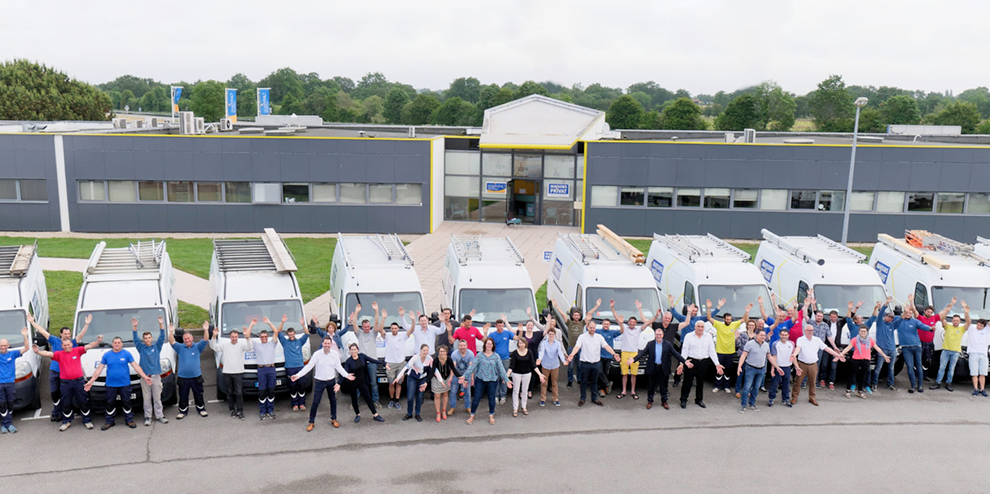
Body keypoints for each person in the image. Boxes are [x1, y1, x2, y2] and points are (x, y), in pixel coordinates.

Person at [27, 313, 90, 422]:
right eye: (65, 334)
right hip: (55, 372)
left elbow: (81, 334)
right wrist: (32, 322)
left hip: (67, 375)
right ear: (61, 334)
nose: (67, 336)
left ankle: (68, 412)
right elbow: (42, 331)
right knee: (55, 393)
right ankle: (56, 412)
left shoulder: (73, 343)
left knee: (67, 394)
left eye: (69, 334)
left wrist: (86, 324)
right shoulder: (54, 340)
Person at [34, 334, 103, 431]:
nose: (67, 346)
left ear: (71, 344)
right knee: (66, 402)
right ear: (62, 346)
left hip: (79, 382)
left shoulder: (77, 350)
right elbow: (48, 354)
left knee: (83, 401)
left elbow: (89, 346)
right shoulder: (59, 354)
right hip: (65, 383)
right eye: (65, 345)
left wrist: (98, 341)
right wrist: (38, 352)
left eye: (68, 344)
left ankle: (87, 420)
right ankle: (67, 421)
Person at [83, 336, 153, 430]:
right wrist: (91, 382)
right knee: (110, 403)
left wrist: (144, 377)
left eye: (119, 342)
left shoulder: (127, 354)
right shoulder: (107, 355)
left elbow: (136, 366)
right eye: (115, 342)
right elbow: (99, 369)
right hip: (110, 385)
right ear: (112, 344)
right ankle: (109, 422)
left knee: (127, 402)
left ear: (121, 344)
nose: (117, 344)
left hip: (124, 384)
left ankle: (129, 420)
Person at [291, 336, 354, 431]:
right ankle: (311, 422)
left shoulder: (334, 354)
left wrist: (346, 375)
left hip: (331, 381)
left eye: (329, 343)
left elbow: (338, 367)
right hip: (319, 382)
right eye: (325, 343)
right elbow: (309, 366)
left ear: (331, 344)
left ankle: (334, 419)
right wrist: (298, 375)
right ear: (322, 343)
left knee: (333, 401)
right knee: (315, 402)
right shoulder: (317, 354)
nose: (327, 345)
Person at [629, 327, 688, 410]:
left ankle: (664, 401)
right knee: (651, 386)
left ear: (663, 335)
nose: (658, 336)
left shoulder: (668, 344)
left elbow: (676, 354)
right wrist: (634, 359)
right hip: (653, 368)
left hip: (663, 368)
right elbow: (642, 352)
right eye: (657, 334)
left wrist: (685, 361)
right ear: (655, 335)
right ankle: (650, 401)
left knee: (664, 387)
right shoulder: (650, 344)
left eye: (660, 334)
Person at [566, 319, 621, 407]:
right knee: (584, 382)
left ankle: (594, 398)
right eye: (590, 327)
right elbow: (577, 346)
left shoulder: (599, 337)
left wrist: (614, 354)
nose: (592, 329)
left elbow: (606, 346)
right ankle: (582, 398)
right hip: (585, 363)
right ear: (587, 327)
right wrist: (572, 354)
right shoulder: (582, 337)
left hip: (596, 363)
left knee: (594, 382)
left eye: (594, 328)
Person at [460, 337, 511, 425]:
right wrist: (464, 376)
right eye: (487, 343)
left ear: (493, 346)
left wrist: (506, 380)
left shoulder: (496, 356)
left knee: (491, 398)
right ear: (485, 345)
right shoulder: (479, 355)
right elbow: (472, 367)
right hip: (480, 379)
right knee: (476, 398)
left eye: (490, 344)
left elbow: (501, 369)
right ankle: (472, 415)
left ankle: (491, 415)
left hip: (492, 380)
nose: (489, 345)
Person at [210, 319, 254, 420]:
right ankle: (232, 410)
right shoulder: (225, 345)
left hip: (238, 372)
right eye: (232, 337)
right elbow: (214, 347)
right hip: (227, 372)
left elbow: (249, 347)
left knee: (239, 393)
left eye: (236, 337)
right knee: (229, 393)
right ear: (230, 337)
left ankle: (240, 411)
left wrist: (247, 337)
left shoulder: (241, 345)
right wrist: (214, 336)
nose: (234, 338)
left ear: (238, 337)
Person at [792, 324, 846, 406]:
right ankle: (794, 397)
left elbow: (826, 348)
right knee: (798, 382)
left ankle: (812, 398)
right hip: (802, 364)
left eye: (812, 330)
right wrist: (794, 354)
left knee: (813, 382)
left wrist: (837, 355)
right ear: (805, 331)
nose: (810, 332)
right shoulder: (800, 339)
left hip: (813, 364)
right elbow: (798, 348)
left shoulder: (817, 340)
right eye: (809, 330)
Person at [707, 299, 751, 394]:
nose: (729, 321)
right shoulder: (719, 325)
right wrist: (709, 308)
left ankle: (726, 386)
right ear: (724, 319)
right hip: (719, 351)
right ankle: (717, 385)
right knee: (718, 369)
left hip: (730, 352)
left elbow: (743, 319)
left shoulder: (734, 324)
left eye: (730, 320)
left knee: (728, 370)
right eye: (727, 320)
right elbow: (709, 318)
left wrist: (746, 312)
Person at [615, 300, 656, 400]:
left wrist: (655, 316)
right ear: (628, 322)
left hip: (634, 354)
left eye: (634, 322)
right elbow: (617, 319)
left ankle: (633, 391)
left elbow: (648, 323)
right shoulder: (624, 328)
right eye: (630, 322)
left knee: (634, 374)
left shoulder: (638, 329)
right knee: (624, 373)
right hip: (624, 352)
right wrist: (612, 308)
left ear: (636, 323)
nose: (632, 323)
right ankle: (624, 390)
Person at [677, 321, 724, 408]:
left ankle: (699, 400)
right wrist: (681, 363)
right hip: (691, 361)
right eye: (698, 326)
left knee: (700, 382)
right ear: (695, 327)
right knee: (687, 382)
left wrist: (717, 364)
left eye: (702, 327)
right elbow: (685, 351)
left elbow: (712, 351)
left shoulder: (708, 337)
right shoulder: (689, 336)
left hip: (703, 362)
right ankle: (683, 399)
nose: (700, 328)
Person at [169, 322, 210, 419]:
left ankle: (201, 409)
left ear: (192, 339)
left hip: (196, 376)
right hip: (183, 377)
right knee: (183, 396)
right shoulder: (180, 347)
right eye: (185, 339)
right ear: (183, 340)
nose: (187, 340)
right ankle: (183, 411)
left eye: (188, 338)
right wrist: (171, 332)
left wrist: (206, 330)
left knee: (198, 394)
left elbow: (205, 339)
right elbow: (171, 341)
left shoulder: (197, 347)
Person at [132, 316, 168, 426]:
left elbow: (162, 337)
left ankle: (160, 415)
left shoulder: (157, 347)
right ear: (144, 339)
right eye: (145, 338)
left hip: (156, 376)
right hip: (145, 377)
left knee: (157, 398)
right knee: (146, 399)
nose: (147, 339)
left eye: (149, 337)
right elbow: (135, 339)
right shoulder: (141, 348)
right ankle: (148, 417)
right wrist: (135, 327)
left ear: (152, 338)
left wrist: (161, 324)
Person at [839, 325, 890, 399]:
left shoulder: (870, 340)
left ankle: (860, 391)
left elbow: (877, 348)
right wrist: (841, 354)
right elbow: (848, 348)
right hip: (856, 359)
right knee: (852, 375)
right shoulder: (855, 339)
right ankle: (848, 390)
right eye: (861, 331)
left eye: (864, 331)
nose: (863, 332)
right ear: (859, 332)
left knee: (862, 376)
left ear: (867, 332)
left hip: (866, 360)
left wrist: (884, 355)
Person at [896, 294, 934, 394]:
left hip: (917, 346)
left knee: (918, 365)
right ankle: (913, 385)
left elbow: (923, 326)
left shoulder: (915, 321)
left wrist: (930, 328)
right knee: (909, 366)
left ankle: (920, 385)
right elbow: (900, 318)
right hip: (906, 348)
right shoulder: (899, 321)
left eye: (910, 313)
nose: (908, 314)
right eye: (906, 313)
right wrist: (906, 308)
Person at [341, 343, 386, 423]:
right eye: (352, 350)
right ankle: (357, 414)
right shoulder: (348, 361)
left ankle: (375, 414)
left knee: (368, 398)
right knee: (354, 400)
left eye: (355, 349)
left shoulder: (362, 356)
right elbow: (345, 373)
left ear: (357, 350)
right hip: (353, 384)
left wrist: (384, 363)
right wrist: (339, 383)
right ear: (350, 351)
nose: (353, 351)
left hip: (362, 382)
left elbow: (372, 360)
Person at [931, 299, 969, 391]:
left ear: (959, 321)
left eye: (957, 320)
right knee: (942, 367)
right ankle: (937, 383)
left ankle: (948, 383)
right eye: (954, 320)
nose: (956, 322)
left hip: (955, 352)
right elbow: (942, 317)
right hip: (945, 351)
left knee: (951, 369)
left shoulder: (961, 329)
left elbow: (968, 322)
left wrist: (966, 311)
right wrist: (950, 305)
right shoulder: (947, 326)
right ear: (952, 320)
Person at [0, 327, 31, 433]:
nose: (3, 347)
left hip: (10, 383)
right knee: (2, 404)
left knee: (10, 403)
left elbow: (27, 348)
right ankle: (6, 424)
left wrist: (25, 336)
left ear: (8, 346)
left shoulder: (12, 354)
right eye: (1, 345)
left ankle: (6, 424)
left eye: (5, 345)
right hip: (0, 384)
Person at [351, 303, 382, 408]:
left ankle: (375, 400)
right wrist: (356, 312)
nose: (367, 328)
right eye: (365, 327)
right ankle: (355, 402)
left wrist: (376, 311)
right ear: (362, 327)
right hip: (361, 362)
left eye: (368, 326)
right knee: (359, 382)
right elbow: (354, 323)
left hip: (372, 362)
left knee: (373, 382)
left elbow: (377, 322)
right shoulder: (359, 333)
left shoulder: (373, 333)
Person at [564, 300, 599, 389]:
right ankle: (570, 380)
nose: (576, 316)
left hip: (580, 347)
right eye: (575, 315)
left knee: (580, 364)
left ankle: (579, 379)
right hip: (571, 347)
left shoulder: (582, 323)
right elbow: (563, 315)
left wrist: (596, 306)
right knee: (570, 366)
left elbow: (588, 315)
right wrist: (556, 306)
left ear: (580, 316)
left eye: (578, 315)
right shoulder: (569, 323)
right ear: (572, 316)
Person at [394, 344, 433, 422]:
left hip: (422, 378)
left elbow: (434, 370)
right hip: (412, 378)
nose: (425, 352)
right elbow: (406, 367)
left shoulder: (430, 359)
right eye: (424, 350)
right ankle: (409, 413)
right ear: (420, 350)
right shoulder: (415, 358)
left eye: (427, 350)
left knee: (419, 396)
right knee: (410, 397)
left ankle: (417, 414)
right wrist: (398, 377)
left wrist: (441, 380)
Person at [253, 317, 281, 420]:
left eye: (265, 336)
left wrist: (269, 322)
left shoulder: (272, 344)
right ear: (260, 338)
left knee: (271, 390)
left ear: (267, 337)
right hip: (261, 370)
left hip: (271, 369)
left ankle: (270, 410)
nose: (264, 338)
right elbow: (247, 336)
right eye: (262, 336)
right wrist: (251, 325)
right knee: (262, 391)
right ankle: (262, 411)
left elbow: (276, 331)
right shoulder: (256, 345)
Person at [506, 339, 544, 417]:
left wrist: (540, 374)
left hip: (527, 374)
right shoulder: (515, 353)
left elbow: (533, 365)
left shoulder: (529, 352)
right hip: (516, 374)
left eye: (523, 343)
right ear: (518, 344)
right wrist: (506, 376)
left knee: (525, 391)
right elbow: (512, 366)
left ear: (525, 344)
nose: (521, 344)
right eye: (520, 343)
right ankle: (515, 408)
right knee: (516, 391)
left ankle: (524, 407)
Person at [280, 318, 311, 412]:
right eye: (290, 335)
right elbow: (278, 332)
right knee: (293, 386)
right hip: (290, 368)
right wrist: (282, 322)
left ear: (294, 334)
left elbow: (307, 334)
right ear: (288, 335)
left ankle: (302, 404)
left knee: (301, 385)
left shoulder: (299, 342)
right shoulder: (284, 342)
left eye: (293, 334)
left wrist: (302, 325)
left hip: (300, 367)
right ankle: (294, 404)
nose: (291, 336)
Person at [737, 329, 769, 413]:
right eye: (761, 335)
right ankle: (743, 405)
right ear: (756, 335)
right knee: (747, 387)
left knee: (756, 388)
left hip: (761, 369)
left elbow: (769, 357)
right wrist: (739, 366)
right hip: (750, 368)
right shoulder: (749, 344)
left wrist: (776, 367)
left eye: (764, 336)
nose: (763, 337)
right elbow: (743, 355)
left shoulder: (766, 345)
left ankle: (752, 403)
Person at [517, 308, 546, 399]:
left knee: (533, 375)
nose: (529, 326)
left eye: (531, 325)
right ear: (526, 326)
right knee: (523, 374)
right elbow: (512, 332)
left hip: (533, 357)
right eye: (528, 325)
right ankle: (522, 391)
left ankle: (530, 391)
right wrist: (506, 321)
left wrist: (548, 322)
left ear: (533, 326)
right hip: (523, 357)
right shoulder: (522, 333)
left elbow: (546, 331)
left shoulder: (537, 334)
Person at [384, 308, 410, 411]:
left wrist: (409, 319)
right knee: (391, 383)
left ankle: (397, 401)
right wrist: (383, 318)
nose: (394, 330)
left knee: (399, 383)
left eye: (395, 328)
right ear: (390, 329)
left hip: (401, 363)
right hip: (390, 363)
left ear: (398, 328)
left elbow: (411, 330)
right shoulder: (387, 336)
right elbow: (380, 329)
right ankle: (392, 400)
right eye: (392, 328)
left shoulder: (403, 336)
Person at [808, 309, 839, 390]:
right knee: (806, 363)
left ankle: (815, 382)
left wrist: (835, 347)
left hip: (820, 348)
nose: (819, 317)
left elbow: (829, 337)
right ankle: (804, 382)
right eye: (818, 316)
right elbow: (805, 316)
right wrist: (807, 305)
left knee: (817, 365)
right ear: (815, 316)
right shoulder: (811, 323)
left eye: (821, 316)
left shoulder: (825, 325)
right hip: (810, 347)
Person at [487, 317, 516, 404]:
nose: (501, 327)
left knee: (504, 378)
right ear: (496, 326)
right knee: (495, 377)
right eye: (499, 326)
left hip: (505, 359)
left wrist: (520, 331)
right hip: (495, 359)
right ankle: (495, 396)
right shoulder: (492, 335)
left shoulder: (507, 333)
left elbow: (517, 338)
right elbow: (486, 342)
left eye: (502, 326)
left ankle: (503, 395)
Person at [537, 327, 567, 407]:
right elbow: (542, 351)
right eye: (549, 334)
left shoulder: (557, 343)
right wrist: (539, 359)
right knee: (544, 383)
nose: (551, 336)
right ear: (547, 334)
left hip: (555, 365)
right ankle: (543, 399)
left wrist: (563, 360)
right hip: (545, 365)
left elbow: (560, 352)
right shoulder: (544, 343)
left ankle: (555, 399)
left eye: (552, 334)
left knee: (554, 382)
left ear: (554, 335)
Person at [651, 306, 681, 387]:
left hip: (667, 354)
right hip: (657, 353)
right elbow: (645, 322)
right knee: (656, 371)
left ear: (671, 319)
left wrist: (688, 313)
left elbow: (687, 323)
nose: (667, 319)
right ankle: (656, 387)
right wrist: (655, 316)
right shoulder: (657, 325)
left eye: (669, 318)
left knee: (666, 372)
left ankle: (665, 388)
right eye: (666, 317)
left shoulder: (674, 326)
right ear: (663, 318)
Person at [430, 344, 461, 422]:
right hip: (436, 379)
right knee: (437, 395)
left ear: (446, 352)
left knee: (445, 394)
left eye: (444, 351)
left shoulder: (449, 359)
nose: (442, 353)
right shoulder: (436, 360)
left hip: (446, 378)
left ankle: (443, 411)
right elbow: (432, 371)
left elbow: (453, 369)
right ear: (438, 352)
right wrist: (426, 382)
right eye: (440, 351)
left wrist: (460, 377)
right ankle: (438, 412)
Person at [766, 329, 794, 407]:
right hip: (777, 367)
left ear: (788, 335)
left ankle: (785, 399)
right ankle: (771, 398)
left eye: (785, 335)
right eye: (782, 335)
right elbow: (774, 357)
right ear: (779, 335)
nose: (784, 336)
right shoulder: (775, 344)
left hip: (787, 367)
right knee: (774, 384)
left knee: (786, 384)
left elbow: (792, 356)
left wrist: (797, 367)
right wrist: (773, 368)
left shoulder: (791, 344)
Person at [596, 317, 621, 398]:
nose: (606, 325)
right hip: (599, 355)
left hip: (609, 356)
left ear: (609, 325)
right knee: (599, 372)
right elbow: (588, 328)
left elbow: (622, 331)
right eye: (604, 324)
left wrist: (620, 323)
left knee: (605, 373)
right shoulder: (598, 331)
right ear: (602, 324)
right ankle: (607, 384)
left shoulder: (612, 332)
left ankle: (602, 389)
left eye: (607, 324)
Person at [449, 339, 475, 414]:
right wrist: (451, 377)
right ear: (458, 346)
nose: (462, 347)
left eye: (464, 345)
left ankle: (467, 407)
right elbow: (453, 367)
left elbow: (471, 367)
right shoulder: (454, 354)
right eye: (461, 345)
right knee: (453, 392)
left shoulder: (470, 354)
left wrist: (472, 377)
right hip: (456, 375)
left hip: (467, 375)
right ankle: (452, 407)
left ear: (466, 346)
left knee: (468, 392)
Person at [917, 303, 942, 383]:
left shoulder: (934, 318)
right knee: (918, 359)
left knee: (927, 361)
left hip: (930, 343)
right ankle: (917, 375)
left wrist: (951, 304)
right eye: (928, 312)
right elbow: (914, 311)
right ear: (924, 311)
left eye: (931, 312)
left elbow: (944, 312)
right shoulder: (920, 318)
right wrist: (911, 301)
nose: (929, 313)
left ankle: (924, 375)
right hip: (920, 343)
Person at [968, 318, 990, 397]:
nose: (979, 326)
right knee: (974, 373)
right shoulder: (972, 329)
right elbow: (968, 320)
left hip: (983, 354)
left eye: (981, 325)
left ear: (984, 326)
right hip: (973, 353)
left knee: (983, 373)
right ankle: (976, 389)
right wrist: (966, 312)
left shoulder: (986, 330)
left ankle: (982, 389)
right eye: (978, 324)